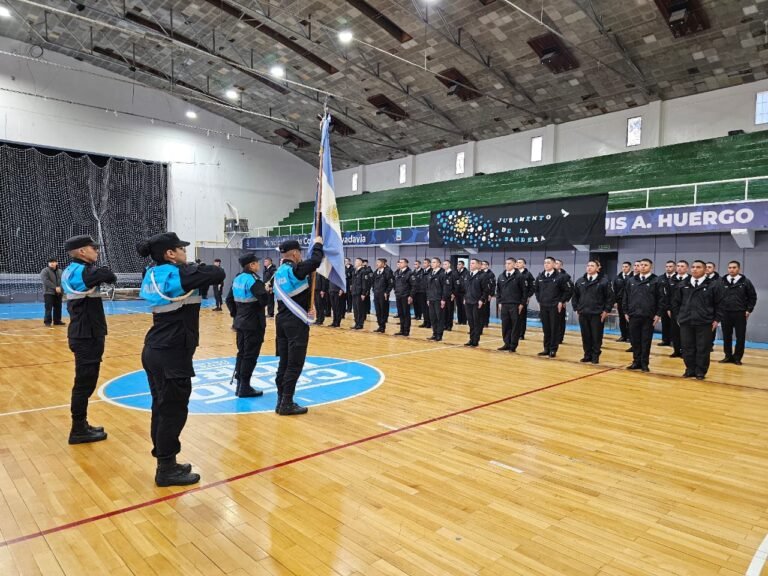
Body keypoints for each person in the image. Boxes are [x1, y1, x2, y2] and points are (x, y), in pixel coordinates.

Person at [138, 232, 226, 486]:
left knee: (161, 407)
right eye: (181, 250)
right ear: (170, 254)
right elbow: (216, 274)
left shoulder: (152, 274)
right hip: (172, 353)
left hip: (155, 347)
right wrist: (191, 266)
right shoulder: (178, 274)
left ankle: (166, 460)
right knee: (173, 411)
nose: (185, 253)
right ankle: (165, 469)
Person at [61, 235, 116, 445]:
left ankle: (81, 424)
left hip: (84, 331)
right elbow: (108, 275)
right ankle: (78, 429)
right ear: (82, 251)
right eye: (94, 248)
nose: (98, 251)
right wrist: (100, 271)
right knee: (84, 383)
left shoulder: (71, 270)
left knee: (85, 381)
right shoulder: (81, 271)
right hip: (86, 334)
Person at [272, 238, 324, 415]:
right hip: (295, 323)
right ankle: (287, 402)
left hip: (281, 322)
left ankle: (280, 400)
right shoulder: (295, 270)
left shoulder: (278, 272)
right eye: (300, 253)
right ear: (295, 254)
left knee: (284, 362)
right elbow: (316, 261)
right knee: (294, 363)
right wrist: (318, 244)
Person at [225, 253, 267, 398]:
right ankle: (244, 387)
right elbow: (264, 301)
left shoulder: (237, 279)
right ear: (252, 265)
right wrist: (266, 290)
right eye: (257, 263)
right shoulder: (254, 280)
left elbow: (229, 299)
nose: (259, 265)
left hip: (240, 323)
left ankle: (240, 385)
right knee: (250, 355)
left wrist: (236, 315)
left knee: (242, 353)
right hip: (253, 324)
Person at [673, 260, 722, 380]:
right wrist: (679, 317)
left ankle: (700, 371)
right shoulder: (683, 284)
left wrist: (716, 319)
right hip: (686, 321)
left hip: (704, 322)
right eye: (693, 267)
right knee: (687, 347)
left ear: (705, 270)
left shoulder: (713, 285)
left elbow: (720, 304)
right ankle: (690, 369)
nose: (695, 269)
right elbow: (675, 303)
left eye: (698, 267)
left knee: (703, 348)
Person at [623, 258, 665, 372]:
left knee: (646, 341)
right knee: (635, 340)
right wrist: (626, 311)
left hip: (648, 316)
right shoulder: (631, 280)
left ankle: (644, 363)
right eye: (641, 265)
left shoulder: (656, 281)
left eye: (645, 265)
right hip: (633, 315)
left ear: (651, 267)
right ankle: (636, 362)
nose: (642, 267)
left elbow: (662, 299)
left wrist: (658, 314)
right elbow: (625, 297)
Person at [572, 260, 614, 364]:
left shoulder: (604, 281)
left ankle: (595, 356)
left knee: (596, 336)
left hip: (597, 313)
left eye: (592, 266)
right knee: (585, 335)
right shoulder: (580, 281)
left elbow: (610, 298)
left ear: (597, 268)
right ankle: (587, 355)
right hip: (583, 313)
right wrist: (576, 308)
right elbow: (575, 296)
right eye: (588, 265)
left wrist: (606, 310)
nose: (589, 267)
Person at [719, 260, 757, 366]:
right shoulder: (721, 281)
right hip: (725, 313)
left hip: (740, 313)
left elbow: (752, 297)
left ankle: (737, 357)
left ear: (739, 269)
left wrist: (749, 310)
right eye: (730, 267)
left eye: (734, 267)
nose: (731, 269)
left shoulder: (745, 282)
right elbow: (716, 296)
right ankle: (728, 356)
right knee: (726, 336)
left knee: (740, 337)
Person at [535, 257, 572, 358]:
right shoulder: (540, 276)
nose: (546, 264)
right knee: (546, 328)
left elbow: (568, 291)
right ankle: (546, 348)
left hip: (555, 306)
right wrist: (540, 300)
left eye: (548, 263)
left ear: (554, 264)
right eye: (545, 263)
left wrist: (561, 301)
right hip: (544, 306)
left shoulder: (561, 277)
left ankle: (553, 349)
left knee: (554, 328)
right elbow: (536, 290)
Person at [496, 257, 526, 353]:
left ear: (514, 264)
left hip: (515, 304)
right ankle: (506, 343)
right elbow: (498, 291)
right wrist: (499, 302)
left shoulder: (520, 276)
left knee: (515, 326)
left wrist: (522, 303)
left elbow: (524, 292)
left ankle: (513, 345)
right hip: (504, 304)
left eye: (509, 263)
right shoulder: (501, 276)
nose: (507, 265)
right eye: (506, 263)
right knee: (505, 325)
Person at [463, 258, 489, 347]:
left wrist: (482, 300)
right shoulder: (467, 275)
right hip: (468, 301)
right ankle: (471, 339)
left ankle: (475, 340)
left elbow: (486, 290)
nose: (471, 265)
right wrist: (465, 298)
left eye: (473, 263)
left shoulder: (483, 275)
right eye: (470, 263)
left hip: (477, 302)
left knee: (476, 322)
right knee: (470, 322)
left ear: (478, 265)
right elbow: (465, 289)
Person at [667, 260, 690, 358]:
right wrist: (668, 308)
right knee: (675, 331)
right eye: (678, 266)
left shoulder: (690, 280)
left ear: (687, 268)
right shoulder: (672, 279)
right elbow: (667, 295)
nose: (680, 268)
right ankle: (676, 350)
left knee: (686, 332)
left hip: (686, 310)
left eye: (682, 266)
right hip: (674, 309)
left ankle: (685, 351)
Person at [426, 257, 450, 342]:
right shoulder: (430, 273)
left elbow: (445, 288)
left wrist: (443, 299)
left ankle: (439, 335)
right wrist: (428, 298)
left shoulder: (442, 274)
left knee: (440, 318)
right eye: (432, 262)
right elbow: (428, 287)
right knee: (433, 318)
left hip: (439, 299)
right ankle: (434, 333)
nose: (432, 264)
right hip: (431, 298)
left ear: (439, 264)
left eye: (434, 262)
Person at [372, 258, 394, 333]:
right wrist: (374, 290)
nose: (376, 264)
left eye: (378, 262)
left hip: (383, 294)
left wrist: (387, 292)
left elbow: (391, 284)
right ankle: (379, 325)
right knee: (378, 311)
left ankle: (383, 326)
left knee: (383, 310)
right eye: (376, 262)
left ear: (383, 263)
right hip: (376, 294)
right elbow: (373, 282)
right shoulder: (376, 272)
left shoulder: (388, 272)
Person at [41, 257, 65, 327]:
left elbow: (63, 280)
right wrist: (55, 287)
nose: (52, 263)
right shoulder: (44, 271)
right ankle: (47, 322)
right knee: (48, 307)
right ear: (48, 263)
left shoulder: (60, 271)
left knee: (58, 307)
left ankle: (57, 321)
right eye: (50, 262)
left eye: (53, 262)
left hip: (59, 292)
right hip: (48, 292)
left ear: (56, 263)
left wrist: (60, 288)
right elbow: (45, 281)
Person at [613, 262, 633, 343]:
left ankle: (629, 337)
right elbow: (615, 290)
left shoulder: (633, 277)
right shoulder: (618, 277)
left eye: (626, 266)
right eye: (623, 266)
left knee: (629, 319)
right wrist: (615, 301)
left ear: (630, 268)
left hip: (630, 302)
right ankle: (623, 335)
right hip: (620, 301)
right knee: (622, 319)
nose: (624, 268)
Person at [393, 258, 414, 336]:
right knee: (400, 313)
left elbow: (414, 286)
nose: (400, 264)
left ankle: (406, 330)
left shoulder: (409, 273)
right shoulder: (397, 272)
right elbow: (395, 284)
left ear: (406, 264)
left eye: (402, 262)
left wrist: (411, 296)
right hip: (398, 295)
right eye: (399, 262)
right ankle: (402, 330)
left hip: (406, 296)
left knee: (406, 313)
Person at [658, 260, 677, 346]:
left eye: (670, 266)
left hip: (674, 305)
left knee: (674, 324)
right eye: (667, 266)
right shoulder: (660, 278)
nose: (668, 268)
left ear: (674, 267)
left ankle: (674, 340)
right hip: (663, 304)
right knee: (664, 323)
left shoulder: (677, 277)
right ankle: (665, 340)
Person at [350, 258, 372, 330]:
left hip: (360, 293)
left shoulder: (364, 271)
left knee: (360, 309)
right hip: (354, 292)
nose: (355, 263)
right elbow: (352, 282)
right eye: (355, 261)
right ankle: (356, 323)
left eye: (356, 261)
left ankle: (360, 324)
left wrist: (363, 293)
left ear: (360, 263)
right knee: (355, 309)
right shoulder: (355, 271)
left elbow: (364, 283)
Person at [515, 258, 535, 340]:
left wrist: (528, 296)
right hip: (513, 299)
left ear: (524, 265)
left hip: (523, 299)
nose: (518, 263)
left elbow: (532, 287)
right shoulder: (514, 273)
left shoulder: (528, 274)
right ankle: (514, 333)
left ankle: (521, 334)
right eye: (517, 262)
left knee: (521, 317)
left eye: (520, 262)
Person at [554, 259, 572, 344]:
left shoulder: (565, 276)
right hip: (550, 303)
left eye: (557, 263)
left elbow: (570, 290)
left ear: (561, 266)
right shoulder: (548, 275)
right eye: (554, 263)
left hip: (560, 302)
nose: (555, 265)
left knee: (560, 321)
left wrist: (564, 300)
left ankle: (560, 338)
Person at [441, 260, 458, 331]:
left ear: (449, 265)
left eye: (445, 264)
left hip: (450, 296)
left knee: (450, 311)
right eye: (443, 264)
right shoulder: (443, 274)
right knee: (444, 312)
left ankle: (449, 325)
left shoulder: (453, 274)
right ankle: (444, 325)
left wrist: (454, 294)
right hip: (444, 296)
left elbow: (457, 285)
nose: (444, 265)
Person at [480, 261, 496, 327]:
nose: (482, 266)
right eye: (482, 264)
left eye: (484, 264)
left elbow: (493, 285)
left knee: (486, 309)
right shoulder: (480, 273)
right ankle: (480, 322)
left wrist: (491, 294)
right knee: (480, 309)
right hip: (480, 294)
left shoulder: (490, 274)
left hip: (487, 294)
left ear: (487, 266)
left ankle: (485, 323)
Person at [419, 258, 432, 328]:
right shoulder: (422, 271)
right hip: (422, 292)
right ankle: (425, 321)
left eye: (425, 263)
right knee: (423, 308)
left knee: (428, 308)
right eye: (423, 263)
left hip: (428, 292)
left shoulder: (431, 271)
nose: (424, 264)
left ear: (429, 264)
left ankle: (429, 323)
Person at [455, 260, 468, 325]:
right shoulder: (456, 272)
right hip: (457, 293)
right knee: (458, 307)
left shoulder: (466, 272)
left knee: (464, 307)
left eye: (460, 264)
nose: (458, 265)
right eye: (458, 264)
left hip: (464, 293)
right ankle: (459, 320)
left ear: (463, 265)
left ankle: (464, 321)